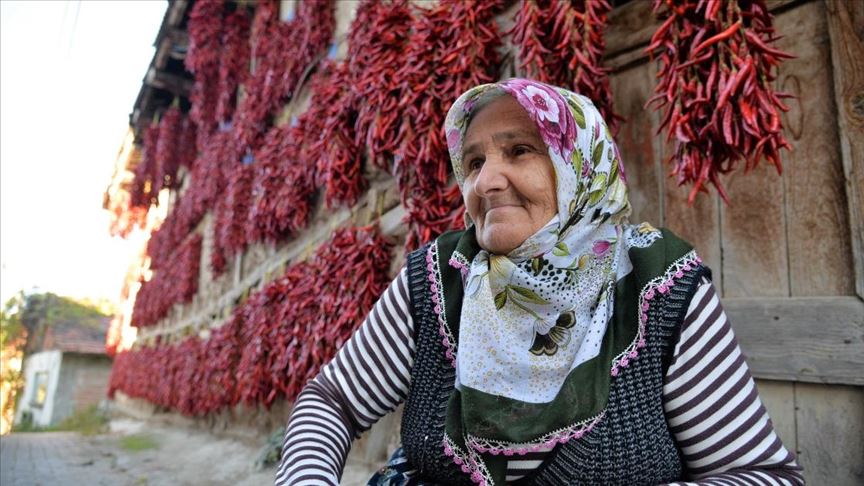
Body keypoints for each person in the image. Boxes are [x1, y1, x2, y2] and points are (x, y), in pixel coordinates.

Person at [275, 79, 804, 485]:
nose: (485, 181)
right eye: (475, 160)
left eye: (519, 151)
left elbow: (763, 474)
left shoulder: (658, 288)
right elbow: (330, 402)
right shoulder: (439, 278)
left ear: (580, 166)